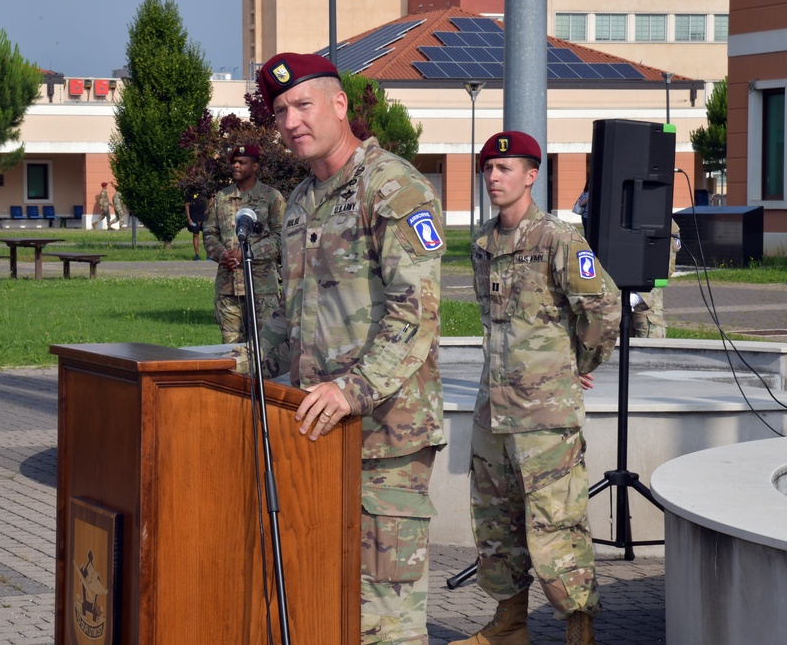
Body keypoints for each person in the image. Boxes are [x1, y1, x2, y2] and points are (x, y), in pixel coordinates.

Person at [249, 52, 446, 645]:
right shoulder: (302, 201)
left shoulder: (392, 186)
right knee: (326, 598)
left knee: (385, 616)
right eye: (280, 111)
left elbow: (416, 312)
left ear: (339, 105)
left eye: (302, 104)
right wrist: (231, 365)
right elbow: (290, 319)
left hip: (385, 433)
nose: (290, 121)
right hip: (315, 429)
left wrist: (350, 390)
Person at [452, 131, 620, 645]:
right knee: (496, 524)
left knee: (557, 523)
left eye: (506, 168)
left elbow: (604, 308)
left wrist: (576, 362)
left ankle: (578, 626)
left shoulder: (558, 237)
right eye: (488, 169)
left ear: (531, 175)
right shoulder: (482, 243)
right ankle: (510, 624)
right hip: (494, 415)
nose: (494, 177)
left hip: (545, 419)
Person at [203, 144, 285, 343]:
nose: (236, 166)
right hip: (228, 288)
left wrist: (248, 253)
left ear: (255, 166)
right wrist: (223, 255)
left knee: (265, 348)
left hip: (262, 288)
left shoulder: (272, 198)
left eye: (242, 162)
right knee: (231, 350)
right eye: (234, 162)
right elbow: (209, 233)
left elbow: (281, 236)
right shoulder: (221, 198)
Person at [631, 219, 681, 338]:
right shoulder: (611, 210)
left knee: (650, 351)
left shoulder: (662, 219)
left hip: (646, 301)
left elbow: (664, 268)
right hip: (612, 301)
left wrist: (638, 296)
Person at [185, 190, 209, 261]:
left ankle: (209, 255)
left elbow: (212, 198)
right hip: (194, 215)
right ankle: (197, 255)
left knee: (206, 235)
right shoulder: (190, 192)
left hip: (203, 215)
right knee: (196, 234)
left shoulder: (205, 190)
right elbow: (186, 205)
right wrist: (189, 219)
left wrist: (208, 209)